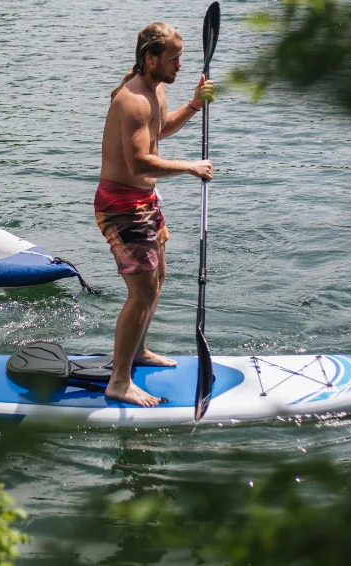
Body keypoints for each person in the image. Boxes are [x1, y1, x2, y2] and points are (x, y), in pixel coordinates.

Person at [97, 21, 216, 406]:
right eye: (174, 57)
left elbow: (158, 132)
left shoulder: (156, 91)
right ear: (151, 58)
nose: (180, 64)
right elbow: (137, 164)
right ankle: (119, 380)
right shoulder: (131, 100)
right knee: (142, 291)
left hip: (145, 202)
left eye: (181, 57)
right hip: (121, 206)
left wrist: (195, 105)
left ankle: (139, 351)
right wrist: (189, 167)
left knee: (158, 278)